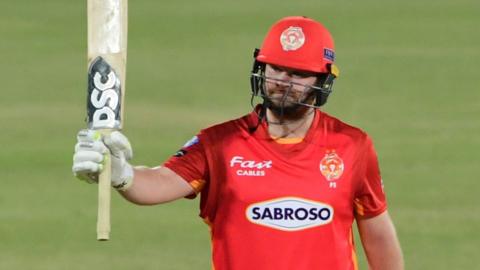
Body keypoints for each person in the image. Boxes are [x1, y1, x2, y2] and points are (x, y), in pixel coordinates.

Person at [73, 16, 404, 270]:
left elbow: (377, 232)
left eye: (298, 74)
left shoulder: (353, 146)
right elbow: (158, 184)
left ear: (322, 81)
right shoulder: (220, 144)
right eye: (277, 69)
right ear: (262, 68)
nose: (283, 82)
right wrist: (121, 174)